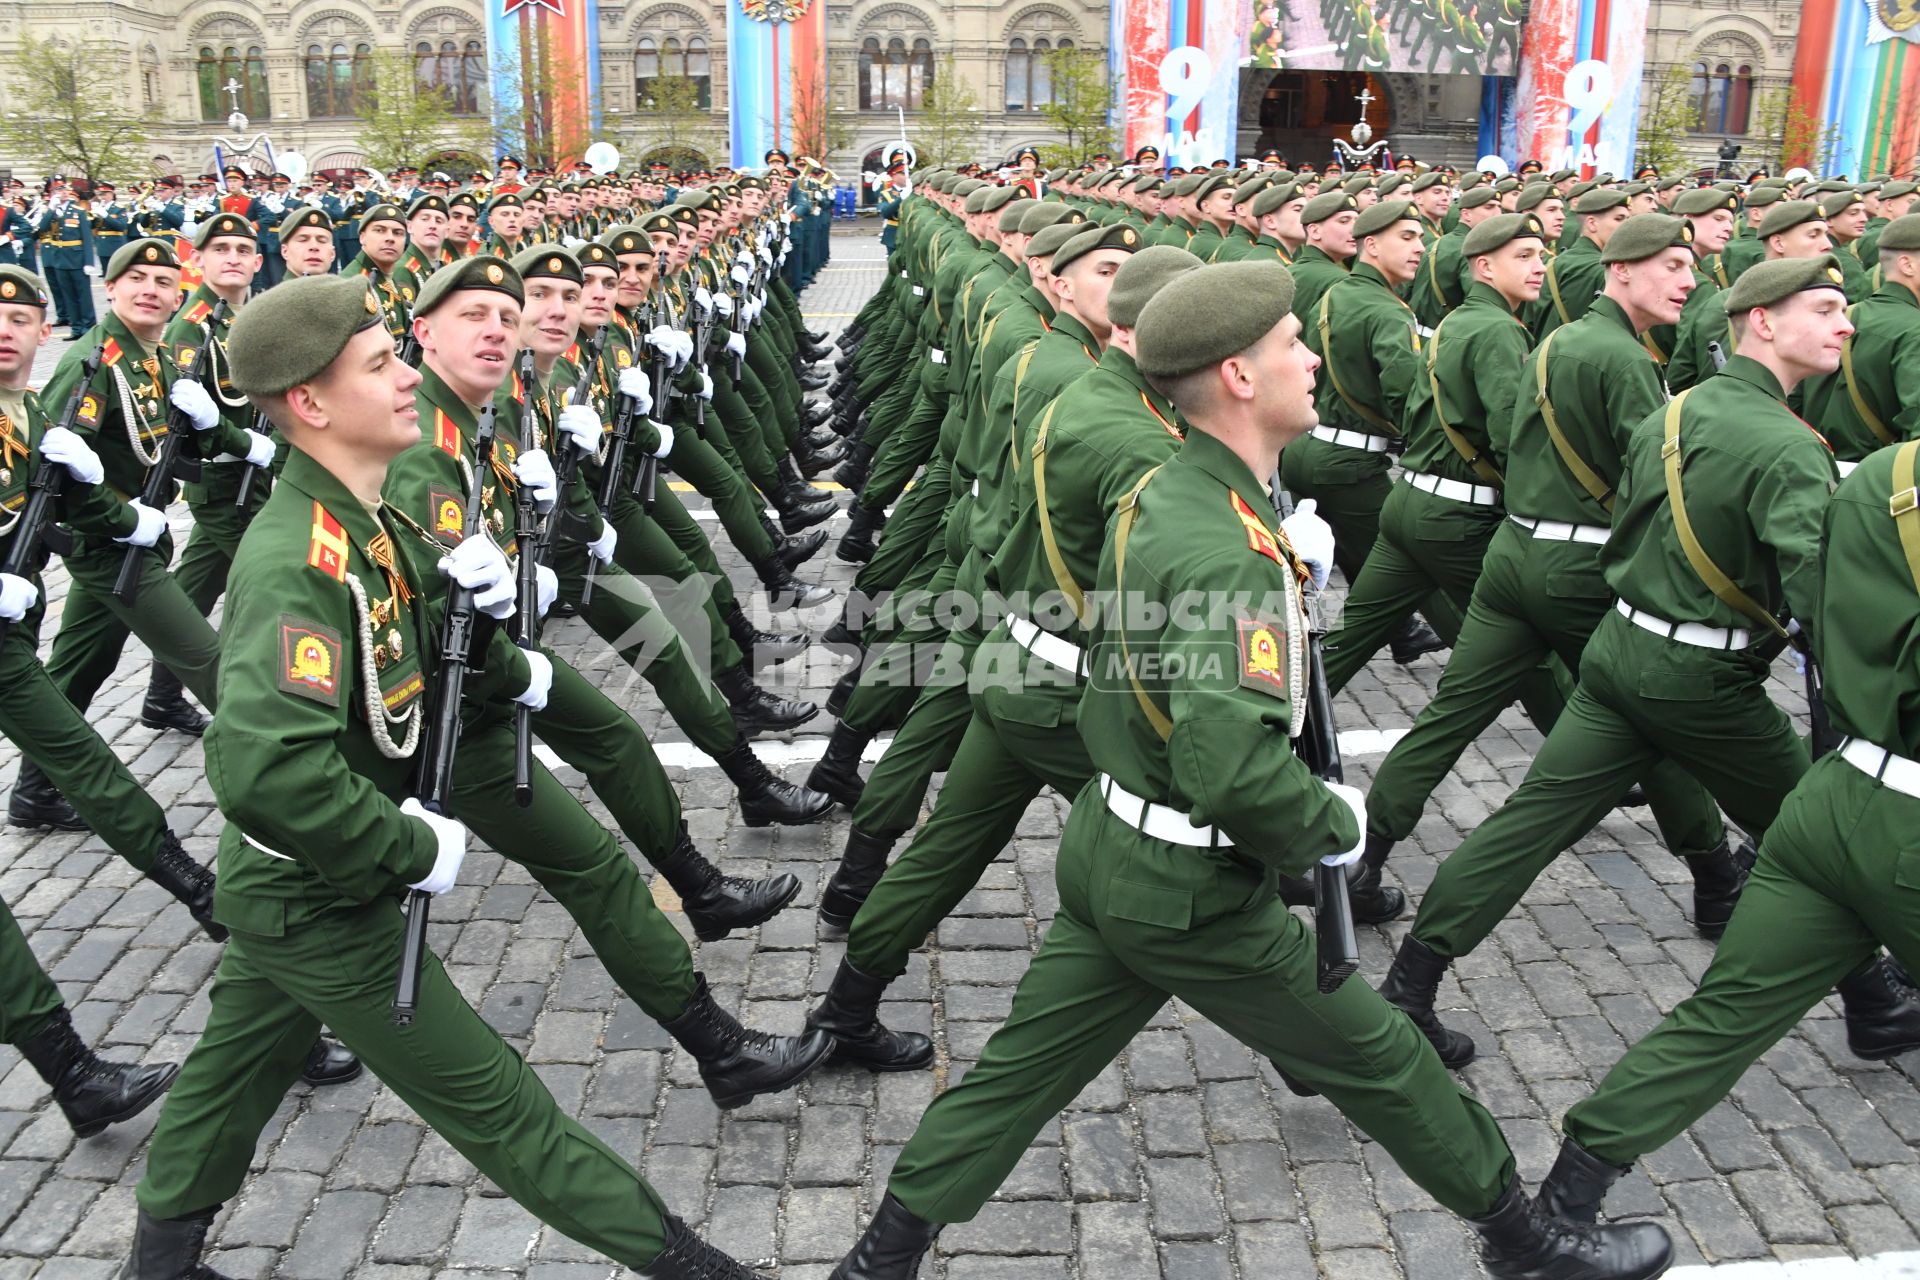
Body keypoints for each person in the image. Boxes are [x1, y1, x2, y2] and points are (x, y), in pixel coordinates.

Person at [825, 261, 1672, 1280]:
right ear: (1236, 374)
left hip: (1116, 850)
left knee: (1016, 1073)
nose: (1311, 357)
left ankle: (879, 1256)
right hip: (1191, 892)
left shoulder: (1173, 488)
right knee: (1387, 1059)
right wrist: (1328, 821)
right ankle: (1525, 1242)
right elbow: (1228, 765)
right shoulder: (1225, 544)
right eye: (1289, 345)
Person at [121, 273, 775, 1280]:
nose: (402, 382)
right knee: (503, 1105)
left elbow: (421, 647)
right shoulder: (298, 555)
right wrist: (414, 846)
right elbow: (264, 771)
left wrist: (480, 612)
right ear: (309, 401)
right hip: (318, 891)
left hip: (298, 884)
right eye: (380, 364)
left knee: (233, 1067)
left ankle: (157, 1263)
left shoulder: (367, 517)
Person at [1377, 255, 1920, 1067]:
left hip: (1621, 653)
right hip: (1704, 683)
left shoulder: (1678, 410)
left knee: (1524, 826)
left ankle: (1408, 986)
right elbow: (1824, 601)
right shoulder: (1789, 447)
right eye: (1826, 308)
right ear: (1763, 323)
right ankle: (1875, 998)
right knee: (1829, 839)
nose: (1847, 323)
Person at [1536, 386, 1920, 1226]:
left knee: (1721, 1018)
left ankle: (1567, 1196)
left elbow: (1817, 607)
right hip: (1906, 834)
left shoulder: (1883, 477)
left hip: (1835, 798)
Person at [8, 239, 232, 831]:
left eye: (162, 282)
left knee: (85, 663)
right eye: (135, 279)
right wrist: (127, 521)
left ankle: (34, 793)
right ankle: (287, 789)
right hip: (110, 548)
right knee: (208, 662)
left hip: (133, 540)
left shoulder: (153, 357)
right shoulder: (93, 360)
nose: (149, 291)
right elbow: (52, 475)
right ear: (110, 289)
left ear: (176, 295)